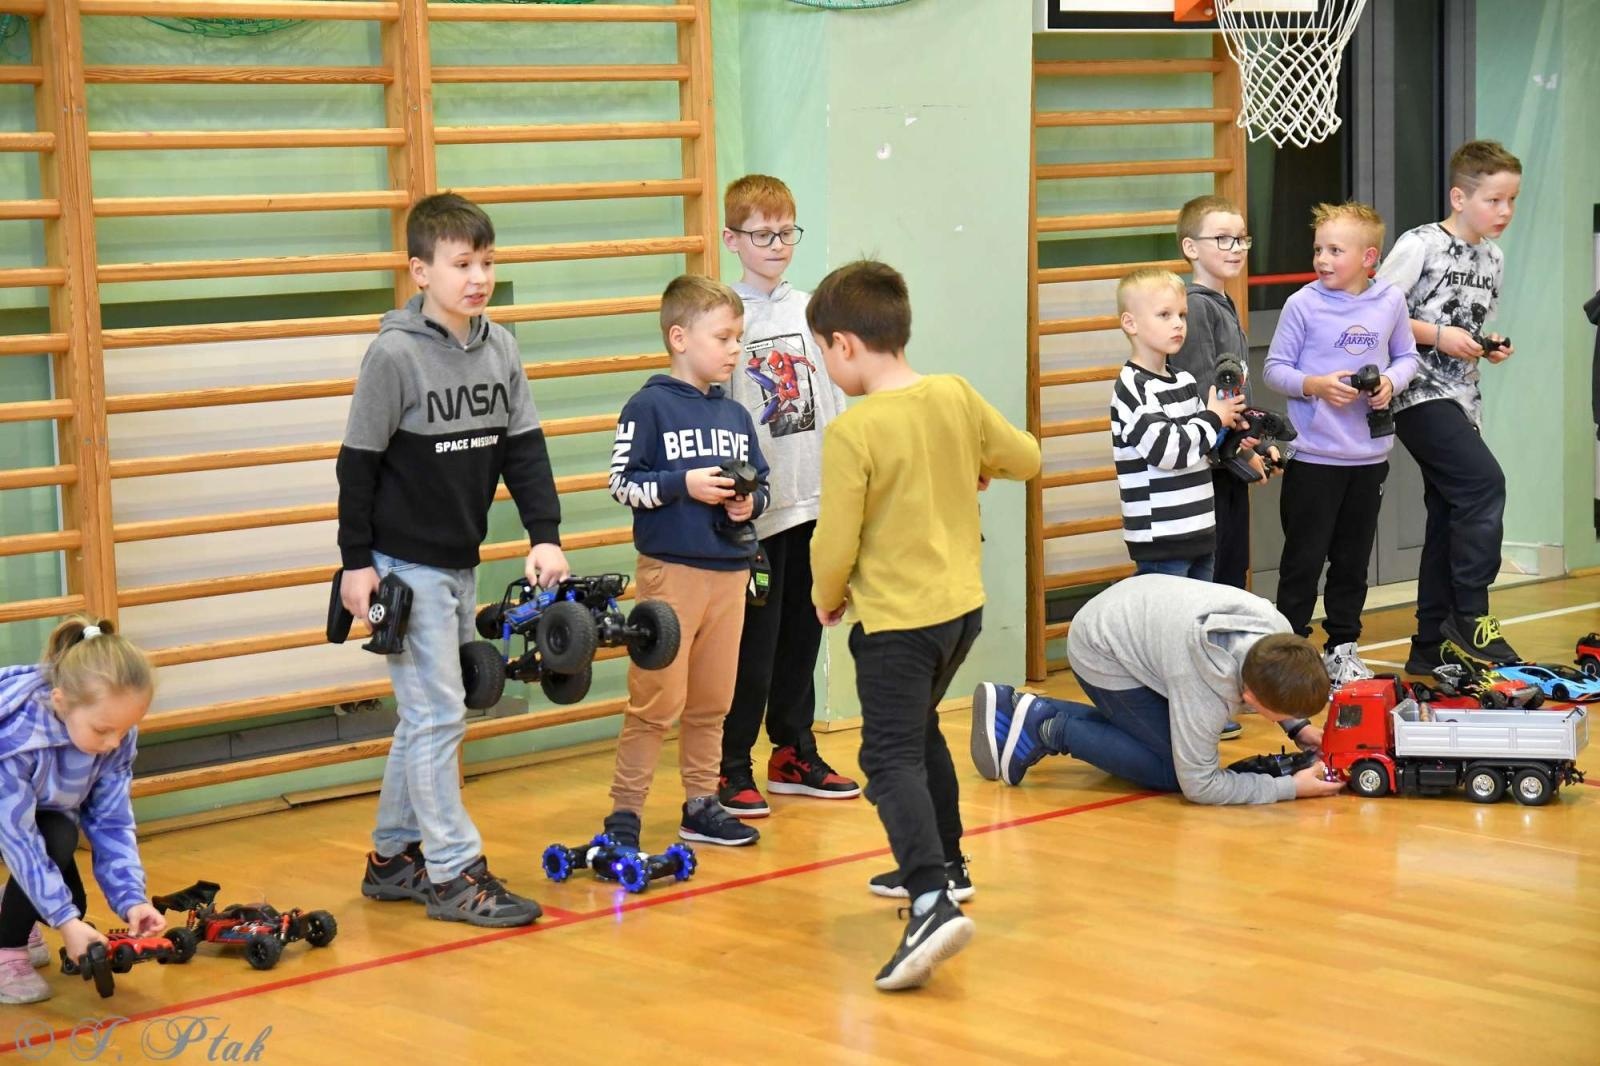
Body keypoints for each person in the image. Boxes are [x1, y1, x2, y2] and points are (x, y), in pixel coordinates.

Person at [809, 260, 1041, 991]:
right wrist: (972, 461)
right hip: (960, 612)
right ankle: (949, 863)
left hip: (899, 624)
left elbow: (834, 541)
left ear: (844, 344)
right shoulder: (954, 395)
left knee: (886, 758)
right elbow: (1025, 458)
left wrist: (826, 593)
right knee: (919, 733)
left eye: (823, 352)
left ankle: (931, 901)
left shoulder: (855, 431)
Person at [340, 192, 568, 927]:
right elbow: (357, 467)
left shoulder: (499, 347)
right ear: (420, 270)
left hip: (458, 561)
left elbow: (524, 452)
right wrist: (356, 566)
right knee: (439, 715)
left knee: (424, 717)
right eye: (461, 263)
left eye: (487, 262)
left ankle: (392, 856)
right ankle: (451, 872)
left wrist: (545, 533)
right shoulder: (393, 355)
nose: (478, 277)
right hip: (401, 565)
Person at [603, 275, 771, 850]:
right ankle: (624, 813)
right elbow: (622, 484)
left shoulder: (735, 416)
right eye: (722, 337)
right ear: (679, 337)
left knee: (712, 702)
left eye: (738, 338)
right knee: (657, 701)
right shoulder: (647, 406)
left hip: (730, 573)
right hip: (670, 575)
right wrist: (682, 485)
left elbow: (761, 486)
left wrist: (750, 501)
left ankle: (701, 802)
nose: (734, 349)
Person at [716, 175, 859, 818]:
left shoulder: (812, 310)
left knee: (805, 633)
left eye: (785, 232)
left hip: (815, 499)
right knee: (753, 645)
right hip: (754, 513)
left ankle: (793, 749)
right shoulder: (725, 317)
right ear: (732, 240)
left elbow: (836, 396)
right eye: (762, 234)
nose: (776, 245)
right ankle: (730, 764)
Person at [970, 575, 1343, 805]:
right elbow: (1200, 786)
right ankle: (1046, 728)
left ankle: (1020, 708)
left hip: (1139, 609)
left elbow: (1277, 678)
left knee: (1165, 746)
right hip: (1101, 647)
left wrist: (1298, 728)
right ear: (1249, 698)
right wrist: (1291, 788)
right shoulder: (1203, 685)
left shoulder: (1277, 634)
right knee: (1170, 772)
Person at [1375, 140, 1522, 670]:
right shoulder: (1421, 244)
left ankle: (1428, 648)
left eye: (1511, 201)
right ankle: (1471, 614)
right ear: (1459, 196)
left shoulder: (1494, 256)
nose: (1504, 212)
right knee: (1484, 485)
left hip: (1464, 399)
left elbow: (1467, 327)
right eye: (1494, 200)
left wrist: (1486, 344)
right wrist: (1437, 336)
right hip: (1417, 392)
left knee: (1449, 513)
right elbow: (1376, 315)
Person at [1263, 202, 1420, 686]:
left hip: (1368, 460)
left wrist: (1391, 382)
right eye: (1319, 249)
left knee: (1352, 561)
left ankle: (1343, 648)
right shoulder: (1302, 304)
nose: (1323, 259)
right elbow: (1275, 370)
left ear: (1369, 258)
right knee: (1303, 561)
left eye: (1336, 250)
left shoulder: (1390, 301)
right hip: (1314, 460)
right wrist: (1315, 384)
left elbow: (1407, 356)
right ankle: (1288, 653)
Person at [0, 617, 166, 1005]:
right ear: (60, 703)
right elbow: (18, 839)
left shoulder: (112, 733)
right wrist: (65, 921)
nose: (113, 742)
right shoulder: (17, 740)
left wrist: (132, 899)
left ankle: (9, 915)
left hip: (19, 820)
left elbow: (112, 822)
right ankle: (5, 951)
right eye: (103, 730)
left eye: (124, 730)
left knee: (60, 845)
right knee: (58, 896)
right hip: (6, 815)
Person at [1110, 268, 1246, 582]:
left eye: (1182, 315)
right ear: (1130, 323)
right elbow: (1169, 450)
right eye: (1164, 315)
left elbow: (1204, 444)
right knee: (1168, 627)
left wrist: (1236, 436)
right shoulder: (1133, 388)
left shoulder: (1183, 380)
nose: (1178, 324)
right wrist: (1214, 417)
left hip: (1199, 531)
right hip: (1163, 542)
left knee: (1197, 623)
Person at [1170, 194, 1264, 588]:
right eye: (1222, 238)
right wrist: (1241, 449)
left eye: (1241, 238)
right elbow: (1205, 395)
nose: (1236, 248)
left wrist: (1253, 444)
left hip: (1227, 465)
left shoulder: (1222, 302)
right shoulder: (1196, 306)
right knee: (1213, 578)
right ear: (1191, 247)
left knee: (1232, 568)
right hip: (1207, 469)